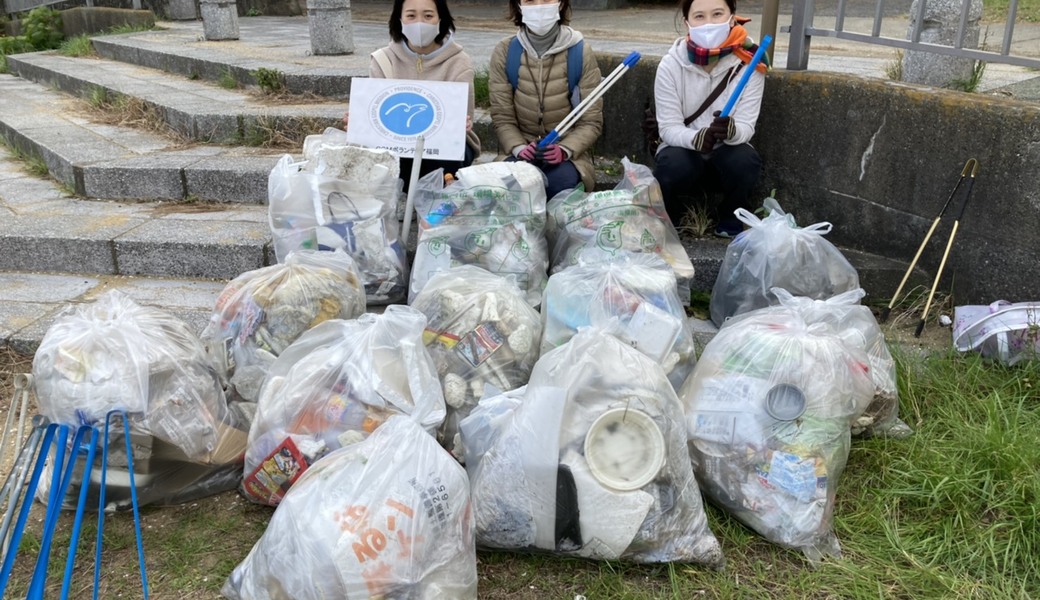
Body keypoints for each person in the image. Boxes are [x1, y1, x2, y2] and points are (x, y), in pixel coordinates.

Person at [651, 0, 768, 238]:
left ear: (731, 17)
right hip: (685, 151)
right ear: (687, 22)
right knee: (672, 163)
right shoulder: (670, 65)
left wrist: (731, 131)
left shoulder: (751, 62)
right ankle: (672, 215)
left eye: (717, 14)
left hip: (725, 154)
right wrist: (697, 138)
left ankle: (731, 216)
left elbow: (747, 127)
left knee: (745, 161)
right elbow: (668, 128)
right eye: (699, 17)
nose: (709, 24)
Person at [345, 0, 480, 189]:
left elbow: (463, 118)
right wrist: (361, 121)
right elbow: (377, 114)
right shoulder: (383, 60)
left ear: (440, 19)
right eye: (411, 16)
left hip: (446, 146)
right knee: (390, 157)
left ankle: (435, 203)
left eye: (428, 16)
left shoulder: (459, 62)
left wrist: (460, 123)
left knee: (440, 157)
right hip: (395, 143)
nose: (419, 23)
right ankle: (400, 198)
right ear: (399, 19)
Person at [488, 0, 603, 199]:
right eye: (530, 0)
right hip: (520, 152)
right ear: (519, 4)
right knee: (511, 194)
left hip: (569, 156)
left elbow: (591, 121)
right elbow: (502, 118)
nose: (539, 5)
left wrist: (565, 149)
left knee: (559, 189)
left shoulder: (580, 52)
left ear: (560, 4)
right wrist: (519, 147)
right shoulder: (505, 52)